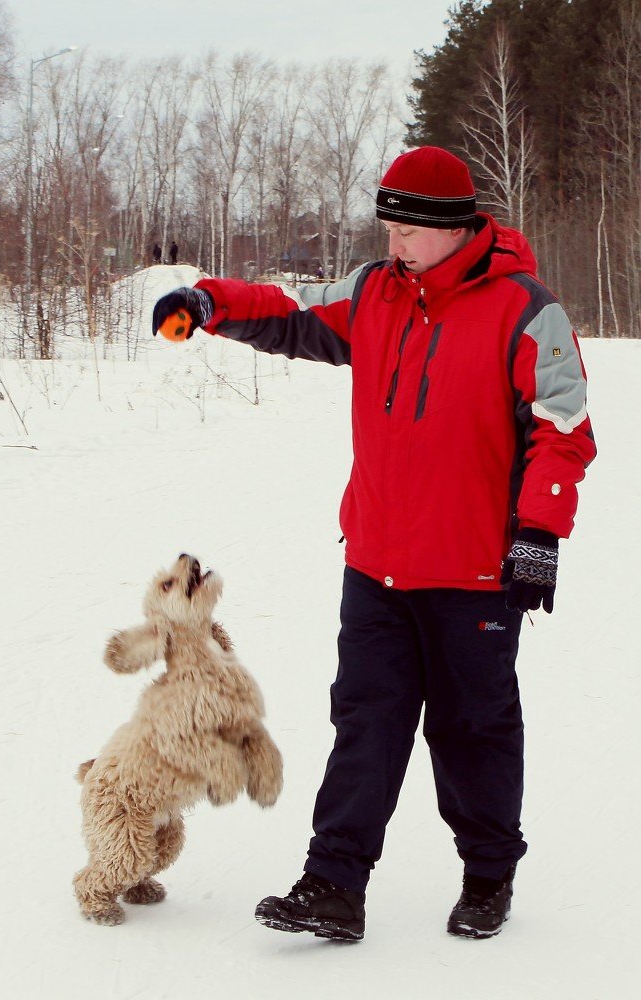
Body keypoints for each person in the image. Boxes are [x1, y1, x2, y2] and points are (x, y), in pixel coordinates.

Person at [152, 146, 596, 942]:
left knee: (473, 729)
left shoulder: (528, 311)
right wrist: (208, 300)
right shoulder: (374, 294)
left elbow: (562, 430)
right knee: (365, 719)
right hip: (378, 565)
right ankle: (333, 882)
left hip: (472, 573)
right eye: (387, 227)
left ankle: (489, 873)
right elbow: (289, 308)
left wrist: (539, 536)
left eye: (408, 232)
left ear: (456, 228)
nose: (393, 245)